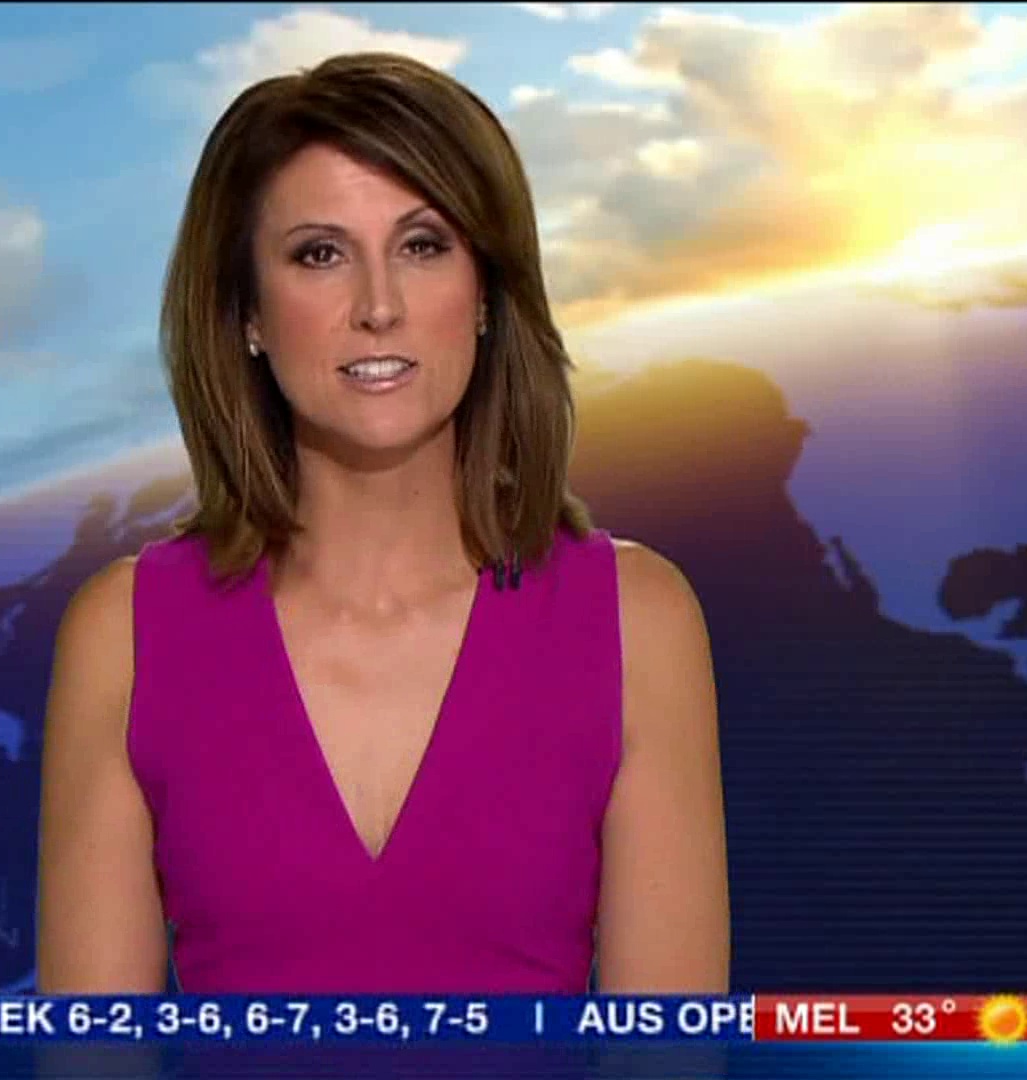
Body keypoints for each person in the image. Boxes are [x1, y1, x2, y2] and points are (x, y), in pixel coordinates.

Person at [36, 52, 727, 994]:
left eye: (423, 245)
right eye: (320, 255)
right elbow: (95, 1054)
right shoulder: (124, 635)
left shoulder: (636, 619)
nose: (378, 307)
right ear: (247, 313)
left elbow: (667, 1052)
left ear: (485, 294)